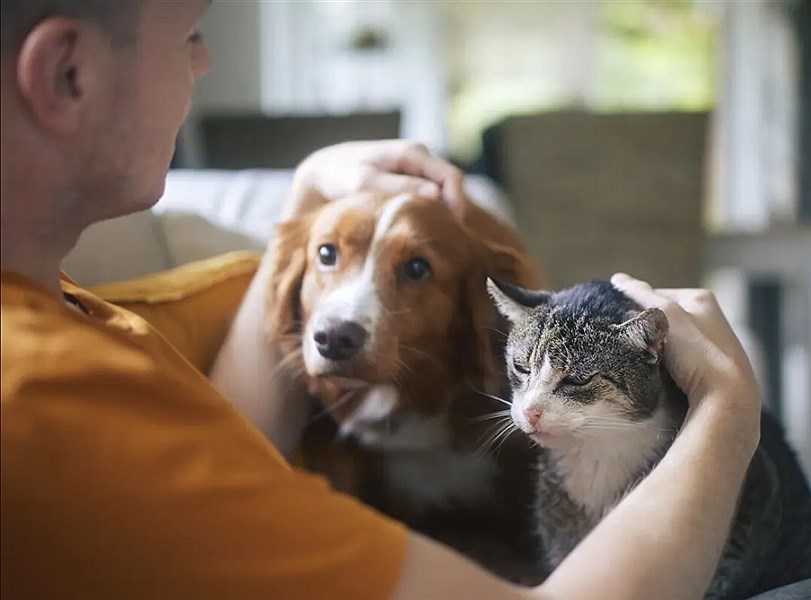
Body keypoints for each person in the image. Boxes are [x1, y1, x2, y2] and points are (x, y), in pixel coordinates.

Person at [0, 1, 762, 598]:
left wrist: (308, 208)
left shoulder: (48, 308)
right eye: (189, 34)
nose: (202, 59)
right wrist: (728, 408)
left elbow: (225, 458)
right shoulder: (42, 400)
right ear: (68, 72)